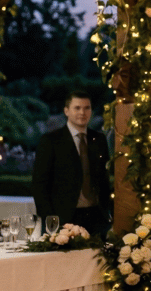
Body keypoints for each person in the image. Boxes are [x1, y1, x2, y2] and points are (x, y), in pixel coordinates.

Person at [32, 91, 112, 236]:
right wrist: (50, 221)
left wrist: (107, 214)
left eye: (87, 108)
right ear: (66, 111)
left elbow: (104, 181)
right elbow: (39, 185)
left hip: (96, 218)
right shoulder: (51, 141)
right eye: (77, 108)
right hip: (64, 219)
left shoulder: (99, 140)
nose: (82, 112)